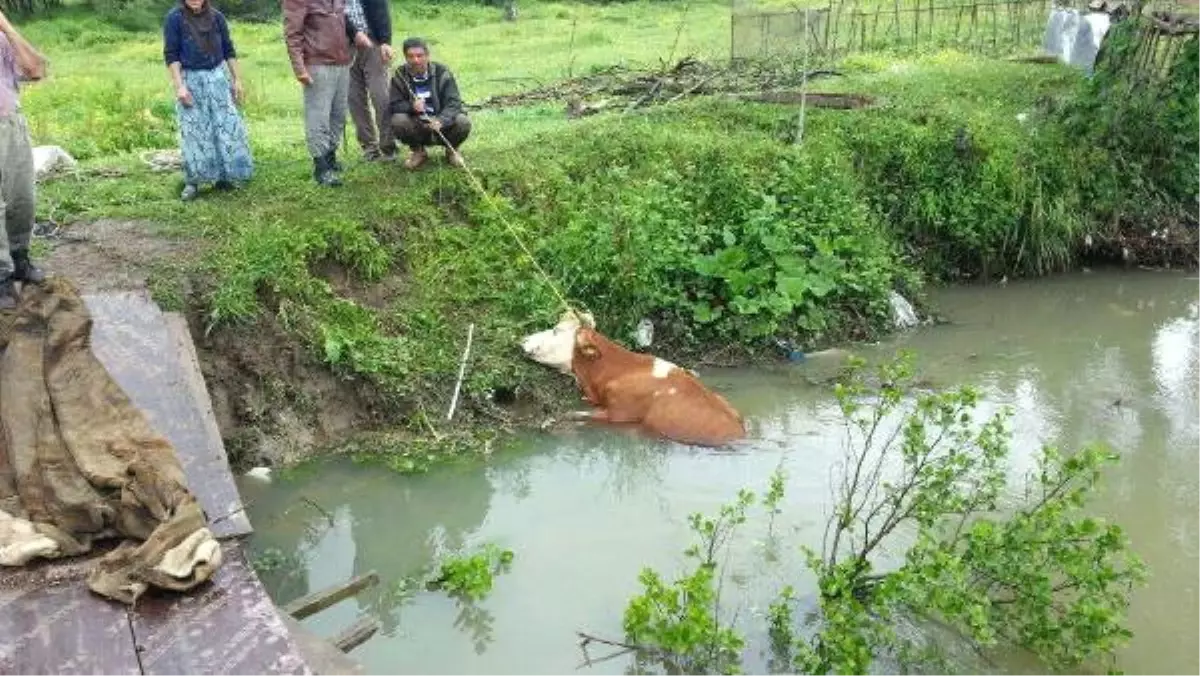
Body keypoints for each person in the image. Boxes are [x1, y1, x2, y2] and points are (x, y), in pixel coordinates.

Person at [163, 0, 254, 201]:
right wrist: (180, 86)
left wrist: (237, 80)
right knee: (194, 131)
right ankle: (193, 182)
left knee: (226, 126)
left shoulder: (217, 17)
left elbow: (229, 50)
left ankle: (225, 177)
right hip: (191, 80)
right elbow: (171, 55)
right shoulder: (174, 19)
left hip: (218, 78)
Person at [284, 0, 373, 186]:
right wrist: (299, 68)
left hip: (342, 62)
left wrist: (356, 34)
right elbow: (293, 34)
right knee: (318, 116)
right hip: (317, 63)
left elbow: (343, 20)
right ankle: (321, 167)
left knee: (338, 115)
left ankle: (331, 157)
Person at [0, 11, 46, 309]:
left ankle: (20, 257)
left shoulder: (2, 39)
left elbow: (35, 70)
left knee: (22, 197)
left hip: (10, 122)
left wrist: (6, 26)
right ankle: (1, 276)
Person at [389, 37, 471, 170]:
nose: (416, 60)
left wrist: (441, 120)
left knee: (463, 121)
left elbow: (454, 102)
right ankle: (418, 151)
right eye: (411, 56)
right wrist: (412, 107)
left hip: (443, 125)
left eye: (420, 56)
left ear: (427, 56)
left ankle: (452, 150)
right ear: (405, 57)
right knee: (398, 120)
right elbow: (394, 104)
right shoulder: (400, 75)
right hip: (417, 125)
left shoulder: (442, 72)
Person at [345, 0, 395, 162]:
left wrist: (385, 41)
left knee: (380, 94)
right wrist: (353, 33)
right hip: (343, 46)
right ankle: (369, 148)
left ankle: (388, 146)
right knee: (354, 99)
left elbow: (380, 10)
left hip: (372, 41)